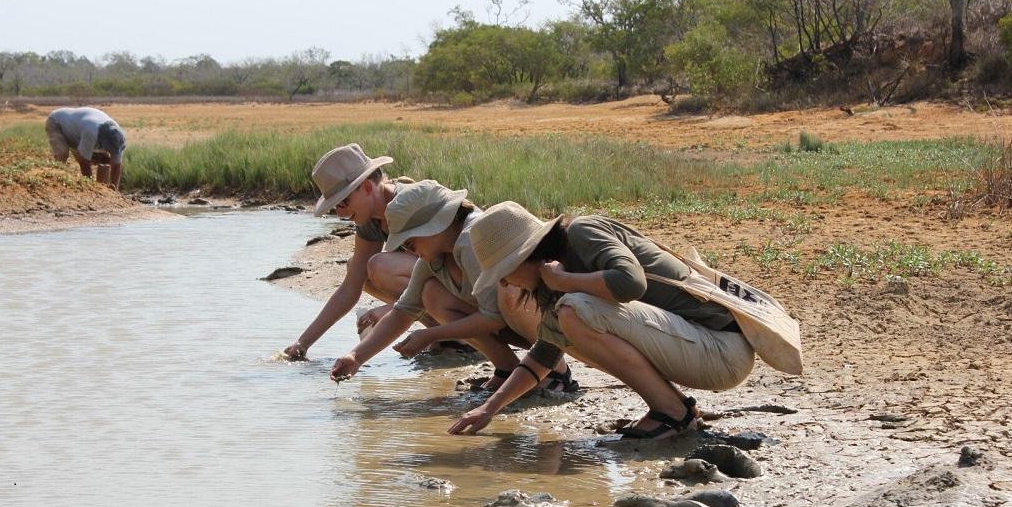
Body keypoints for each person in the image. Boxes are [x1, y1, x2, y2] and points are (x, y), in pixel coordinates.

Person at [447, 203, 755, 439]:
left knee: (574, 312)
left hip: (721, 351)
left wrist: (565, 281)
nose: (503, 285)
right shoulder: (553, 282)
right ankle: (675, 408)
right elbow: (546, 353)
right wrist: (490, 408)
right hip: (696, 347)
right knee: (568, 320)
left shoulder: (581, 234)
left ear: (524, 256)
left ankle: (673, 414)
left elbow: (630, 284)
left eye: (502, 274)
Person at [329, 182, 578, 390]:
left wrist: (430, 334)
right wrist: (356, 357)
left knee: (508, 291)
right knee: (431, 294)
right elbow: (403, 311)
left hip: (555, 325)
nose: (405, 249)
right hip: (516, 324)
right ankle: (507, 369)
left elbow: (495, 318)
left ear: (436, 225)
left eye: (410, 240)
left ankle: (554, 371)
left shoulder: (472, 240)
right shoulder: (434, 256)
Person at [282, 143, 424, 361]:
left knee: (379, 266)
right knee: (359, 271)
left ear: (367, 187)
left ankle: (450, 332)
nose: (339, 214)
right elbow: (350, 287)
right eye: (334, 206)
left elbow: (439, 273)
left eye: (343, 202)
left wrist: (391, 310)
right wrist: (303, 343)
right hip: (437, 296)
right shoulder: (370, 218)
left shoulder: (407, 204)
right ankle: (442, 335)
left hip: (471, 295)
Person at [44, 107, 126, 189]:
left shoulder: (118, 137)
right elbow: (84, 162)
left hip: (77, 133)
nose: (111, 151)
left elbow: (116, 165)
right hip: (57, 122)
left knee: (104, 160)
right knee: (62, 154)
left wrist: (114, 189)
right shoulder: (91, 132)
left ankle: (103, 188)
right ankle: (54, 183)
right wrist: (90, 187)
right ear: (102, 140)